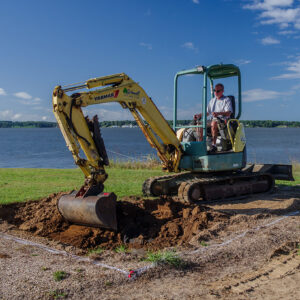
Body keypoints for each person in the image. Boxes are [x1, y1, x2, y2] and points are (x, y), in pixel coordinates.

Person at [194, 83, 233, 151]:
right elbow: (207, 113)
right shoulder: (212, 101)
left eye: (218, 91)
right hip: (213, 119)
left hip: (222, 120)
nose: (216, 92)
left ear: (222, 91)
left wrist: (218, 113)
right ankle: (200, 145)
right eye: (215, 90)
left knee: (213, 123)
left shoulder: (226, 100)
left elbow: (228, 113)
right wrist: (199, 115)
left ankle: (214, 145)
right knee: (199, 124)